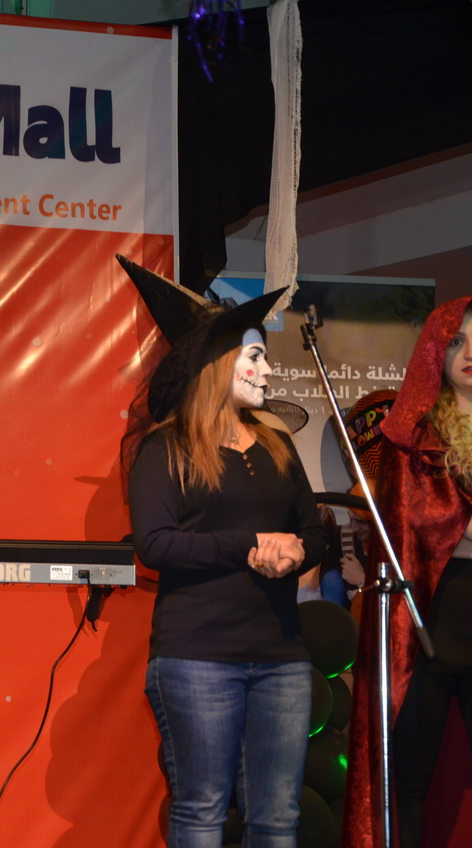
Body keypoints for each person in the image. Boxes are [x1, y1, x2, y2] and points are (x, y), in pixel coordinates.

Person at [117, 255, 328, 848]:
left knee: (277, 818)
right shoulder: (167, 449)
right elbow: (154, 544)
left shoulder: (277, 444)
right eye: (255, 355)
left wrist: (295, 550)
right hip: (197, 659)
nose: (265, 369)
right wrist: (250, 546)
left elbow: (316, 530)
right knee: (204, 810)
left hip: (281, 657)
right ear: (217, 364)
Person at [343, 297, 472, 848]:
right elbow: (403, 531)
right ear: (437, 354)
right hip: (423, 625)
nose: (471, 353)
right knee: (406, 780)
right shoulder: (413, 439)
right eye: (459, 342)